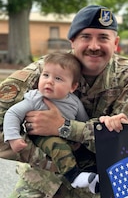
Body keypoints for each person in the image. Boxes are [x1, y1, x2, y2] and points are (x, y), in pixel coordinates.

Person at [0, 5, 128, 197]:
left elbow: (125, 140)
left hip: (100, 180)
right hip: (44, 179)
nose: (94, 46)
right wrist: (49, 159)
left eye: (103, 38)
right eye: (85, 37)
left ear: (115, 42)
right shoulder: (46, 70)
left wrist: (63, 126)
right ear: (72, 41)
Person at [3, 52, 99, 193]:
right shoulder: (35, 99)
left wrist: (80, 139)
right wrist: (13, 138)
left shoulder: (74, 102)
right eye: (46, 75)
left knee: (84, 153)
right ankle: (73, 176)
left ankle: (93, 179)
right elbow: (13, 114)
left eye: (58, 78)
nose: (49, 81)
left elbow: (83, 122)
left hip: (68, 136)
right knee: (58, 146)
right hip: (43, 137)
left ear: (72, 87)